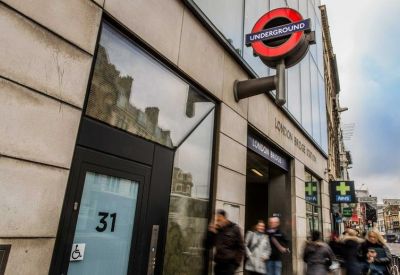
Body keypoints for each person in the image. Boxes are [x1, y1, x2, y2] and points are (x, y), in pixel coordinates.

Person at [206, 209, 245, 275]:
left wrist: (236, 264)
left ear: (225, 218)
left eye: (219, 220)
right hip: (218, 265)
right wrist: (211, 233)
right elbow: (208, 245)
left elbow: (241, 247)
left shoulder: (235, 229)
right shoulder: (217, 230)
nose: (217, 223)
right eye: (216, 220)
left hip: (229, 265)